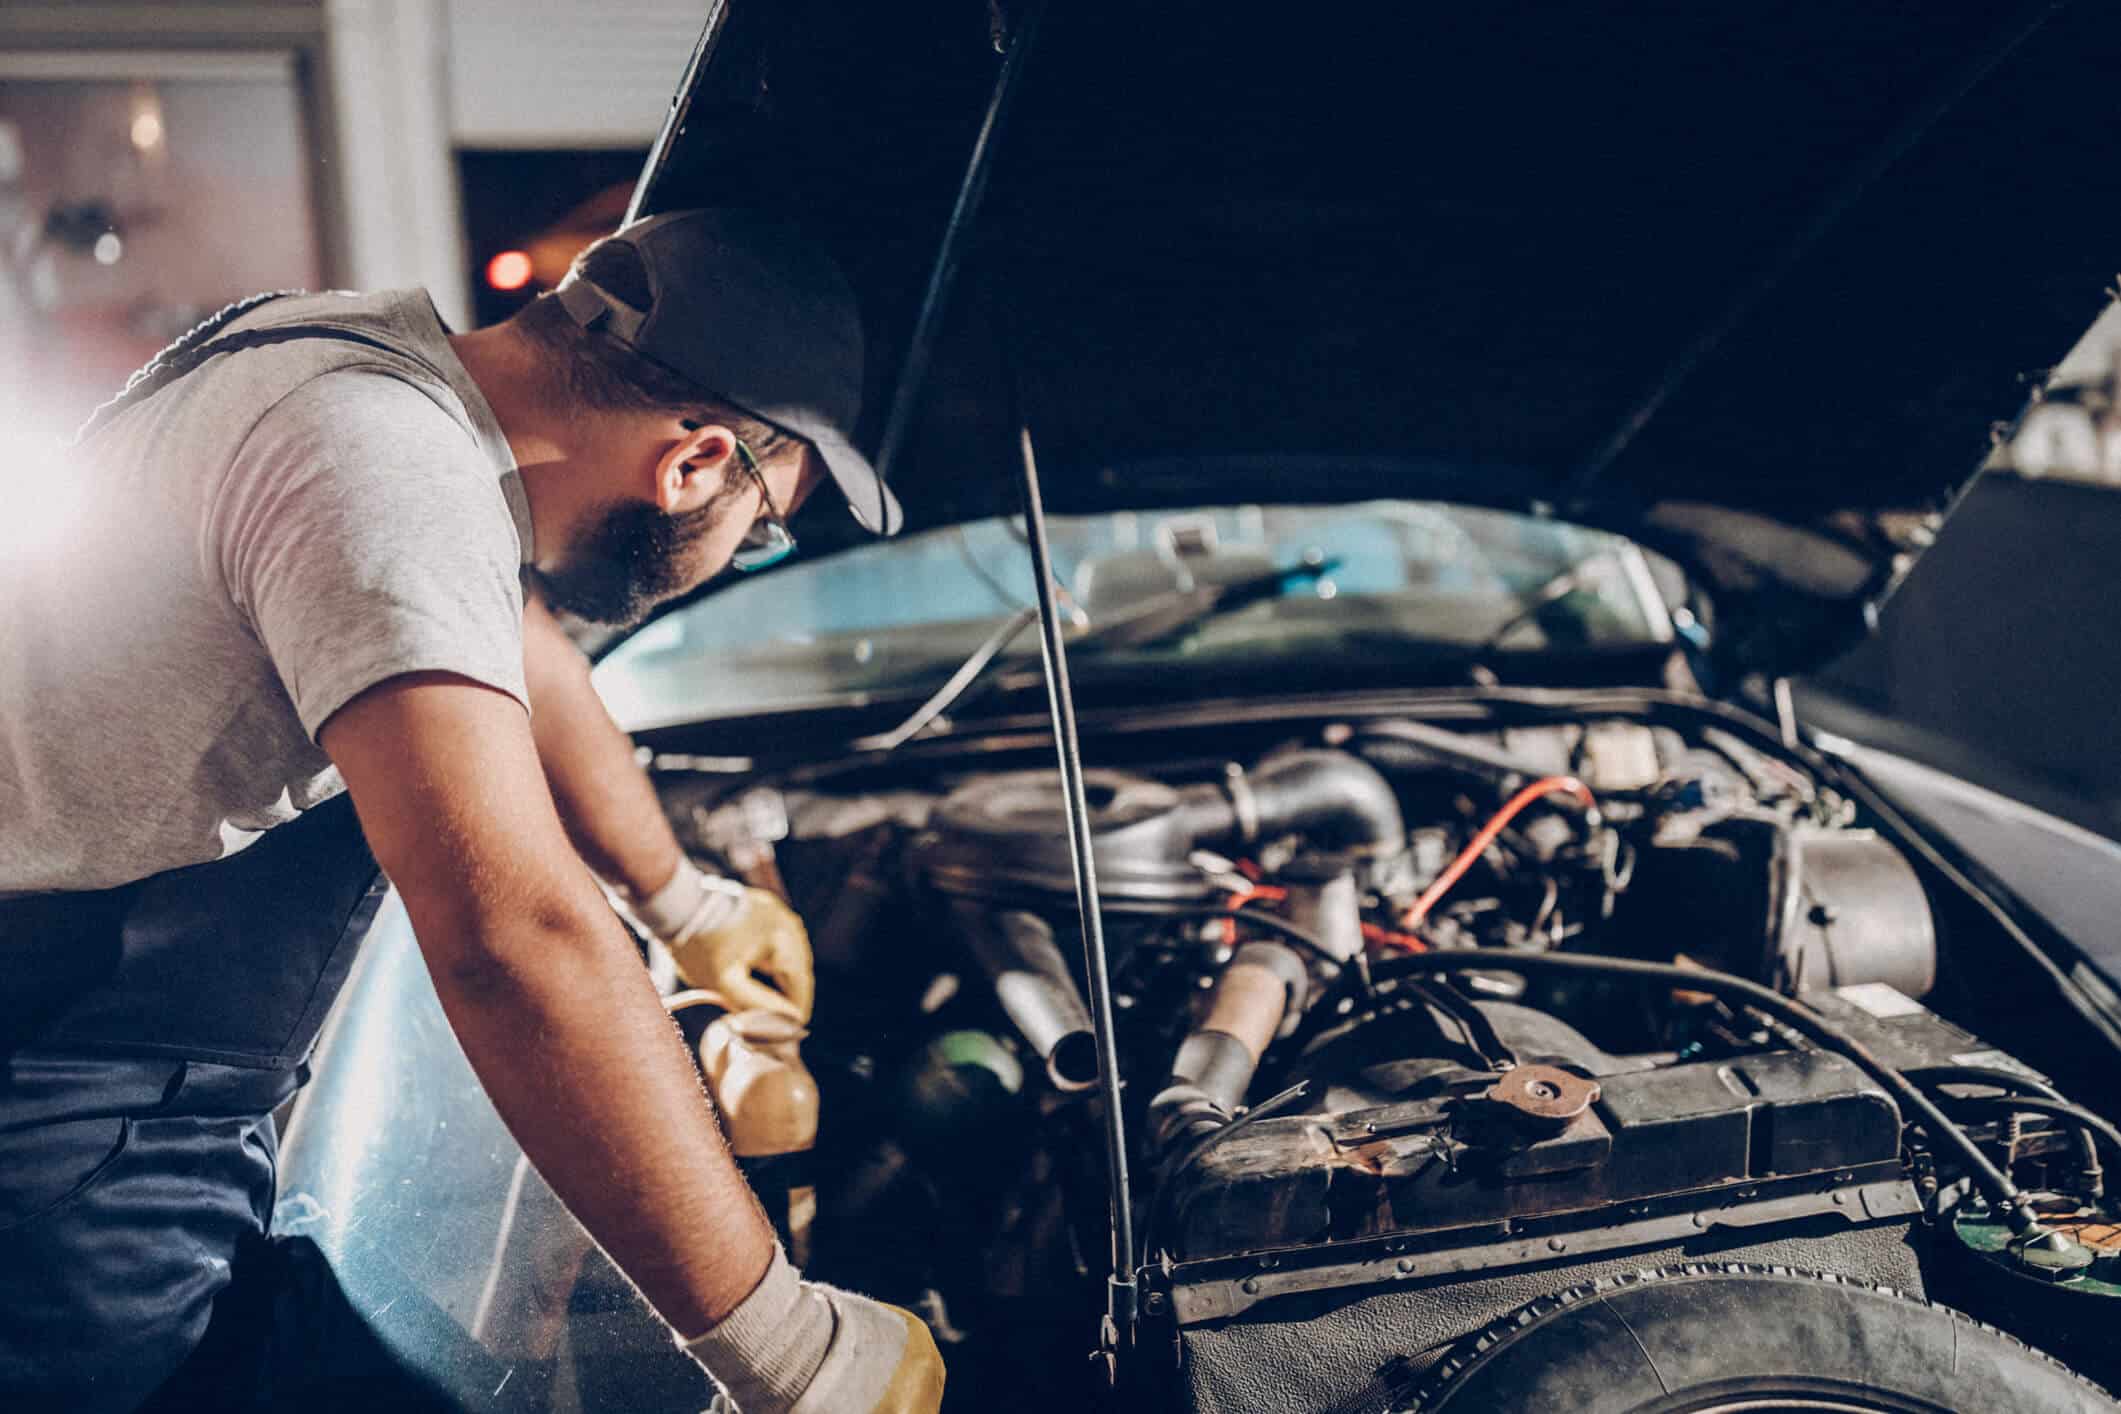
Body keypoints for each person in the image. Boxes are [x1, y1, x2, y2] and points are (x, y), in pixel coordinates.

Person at [0, 209, 943, 1413]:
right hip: (69, 1143)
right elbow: (514, 942)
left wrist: (684, 898)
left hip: (127, 1092)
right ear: (696, 462)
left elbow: (507, 632)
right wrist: (790, 1351)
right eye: (757, 530)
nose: (738, 544)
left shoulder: (354, 365)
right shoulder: (381, 458)